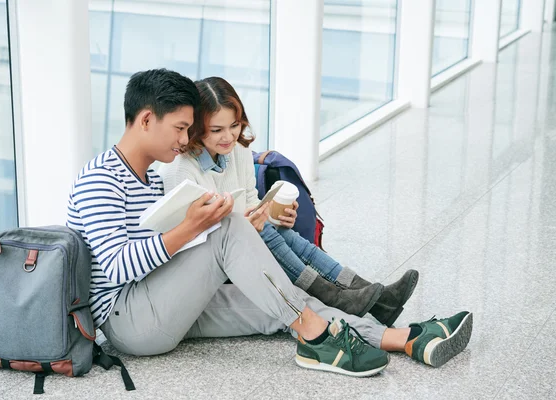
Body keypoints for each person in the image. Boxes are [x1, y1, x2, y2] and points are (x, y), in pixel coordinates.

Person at [66, 69, 473, 378]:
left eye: (188, 129)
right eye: (180, 128)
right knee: (229, 227)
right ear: (145, 120)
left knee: (275, 303)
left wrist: (202, 230)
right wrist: (193, 228)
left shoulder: (150, 177)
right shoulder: (99, 179)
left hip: (163, 300)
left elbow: (167, 254)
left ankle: (406, 339)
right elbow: (117, 266)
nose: (184, 138)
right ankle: (313, 337)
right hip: (128, 322)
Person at [158, 77, 417, 326]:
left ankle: (376, 298)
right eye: (217, 130)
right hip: (204, 262)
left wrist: (270, 215)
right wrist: (252, 226)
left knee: (278, 230)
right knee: (266, 233)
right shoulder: (181, 170)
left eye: (234, 125)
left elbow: (250, 201)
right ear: (196, 129)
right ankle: (345, 297)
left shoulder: (238, 150)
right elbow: (196, 237)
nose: (229, 136)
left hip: (241, 245)